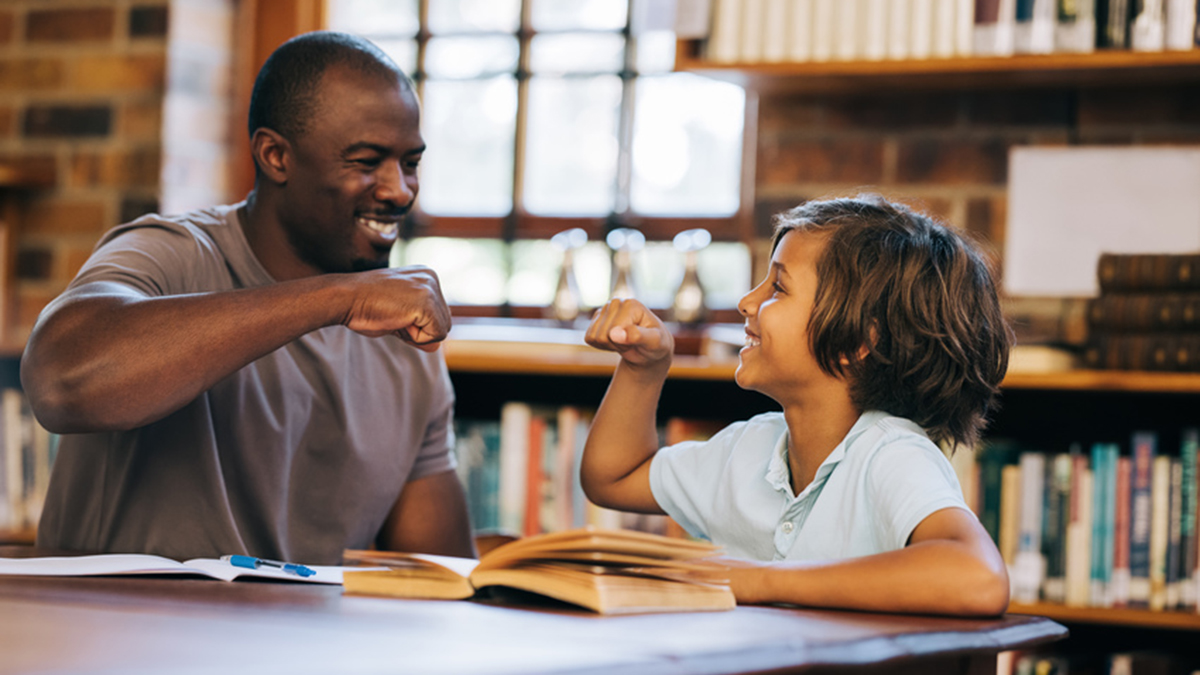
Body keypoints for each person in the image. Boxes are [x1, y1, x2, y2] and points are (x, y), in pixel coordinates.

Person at [22, 32, 476, 565]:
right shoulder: (172, 254)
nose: (399, 189)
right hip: (130, 641)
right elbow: (63, 383)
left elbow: (441, 577)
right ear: (275, 155)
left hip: (299, 646)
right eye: (366, 161)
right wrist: (338, 299)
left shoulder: (405, 345)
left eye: (410, 163)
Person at [581, 195, 1012, 616]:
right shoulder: (745, 449)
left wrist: (759, 580)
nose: (747, 301)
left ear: (859, 341)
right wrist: (643, 368)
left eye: (778, 287)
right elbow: (612, 478)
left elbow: (979, 577)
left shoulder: (891, 455)